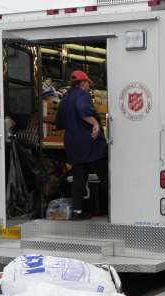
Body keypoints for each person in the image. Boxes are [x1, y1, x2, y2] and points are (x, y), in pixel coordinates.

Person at [55, 70, 108, 220]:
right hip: (90, 143)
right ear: (83, 83)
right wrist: (95, 123)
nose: (89, 88)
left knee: (78, 179)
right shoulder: (82, 96)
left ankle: (77, 212)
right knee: (105, 176)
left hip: (73, 145)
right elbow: (82, 110)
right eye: (88, 84)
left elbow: (58, 123)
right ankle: (115, 208)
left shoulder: (64, 99)